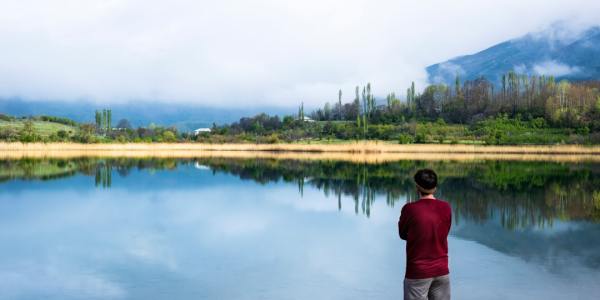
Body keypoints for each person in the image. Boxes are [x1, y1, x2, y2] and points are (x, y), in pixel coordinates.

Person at [398, 169, 452, 300]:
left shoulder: (409, 209)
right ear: (435, 187)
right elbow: (445, 231)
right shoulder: (446, 207)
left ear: (417, 187)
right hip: (442, 271)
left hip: (418, 273)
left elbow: (403, 234)